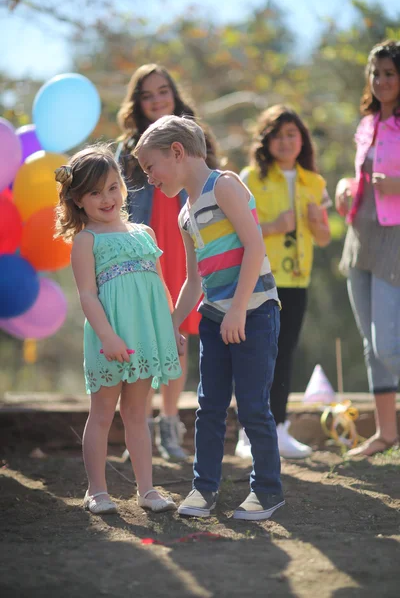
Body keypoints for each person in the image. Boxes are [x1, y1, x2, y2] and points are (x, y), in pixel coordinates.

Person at [134, 115, 285, 521]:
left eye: (151, 167)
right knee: (209, 407)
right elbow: (193, 279)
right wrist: (169, 324)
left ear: (178, 152)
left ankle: (267, 490)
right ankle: (204, 488)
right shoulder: (186, 214)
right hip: (215, 318)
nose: (149, 178)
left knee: (253, 406)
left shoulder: (226, 185)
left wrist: (237, 309)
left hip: (254, 314)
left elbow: (254, 248)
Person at [54, 144, 183, 514]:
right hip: (109, 339)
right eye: (94, 192)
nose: (106, 198)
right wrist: (109, 337)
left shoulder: (144, 232)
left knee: (137, 414)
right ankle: (97, 490)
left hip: (144, 337)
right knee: (102, 413)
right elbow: (88, 296)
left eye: (112, 187)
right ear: (78, 200)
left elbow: (160, 286)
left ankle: (147, 489)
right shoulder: (86, 240)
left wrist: (170, 328)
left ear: (123, 186)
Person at [116, 64, 219, 461]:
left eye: (163, 91)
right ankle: (137, 429)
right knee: (139, 331)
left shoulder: (196, 138)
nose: (157, 99)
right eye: (147, 94)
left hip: (186, 242)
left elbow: (209, 186)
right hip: (143, 245)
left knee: (179, 331)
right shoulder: (129, 149)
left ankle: (170, 427)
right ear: (137, 102)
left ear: (174, 94)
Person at [238, 105, 331, 459]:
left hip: (296, 279)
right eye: (277, 134)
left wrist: (317, 223)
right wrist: (274, 226)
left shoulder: (315, 182)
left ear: (302, 140)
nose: (285, 141)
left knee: (284, 353)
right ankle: (248, 434)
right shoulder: (249, 178)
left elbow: (323, 237)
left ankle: (279, 429)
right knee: (254, 353)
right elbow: (235, 232)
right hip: (258, 277)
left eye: (292, 134)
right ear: (266, 141)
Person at [335, 40, 400, 457]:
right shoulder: (368, 122)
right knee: (368, 341)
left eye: (389, 73)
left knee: (388, 345)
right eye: (375, 73)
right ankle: (386, 433)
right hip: (358, 238)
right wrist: (345, 186)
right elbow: (362, 175)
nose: (380, 80)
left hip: (393, 241)